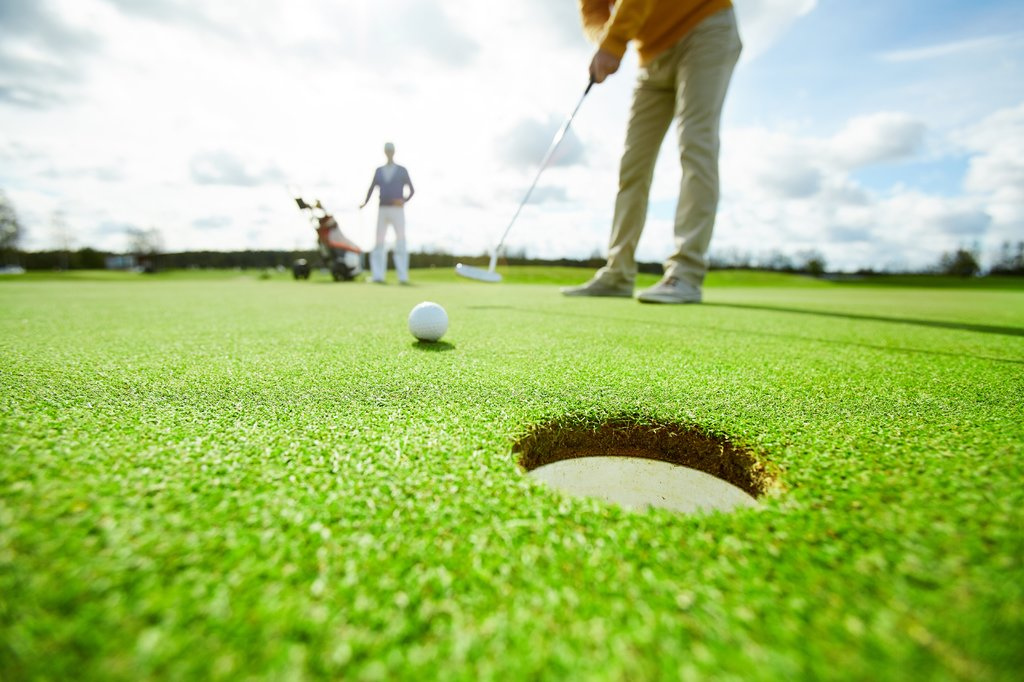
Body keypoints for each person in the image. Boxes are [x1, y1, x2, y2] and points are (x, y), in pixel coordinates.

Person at [562, 0, 742, 303]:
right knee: (633, 164)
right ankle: (618, 273)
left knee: (696, 144)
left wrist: (615, 42)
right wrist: (606, 39)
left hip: (704, 24)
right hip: (651, 58)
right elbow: (593, 14)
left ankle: (685, 272)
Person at [359, 142, 415, 284]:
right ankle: (378, 276)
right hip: (382, 209)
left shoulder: (402, 170)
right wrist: (364, 203)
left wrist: (403, 200)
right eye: (387, 150)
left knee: (401, 242)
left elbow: (412, 190)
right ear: (385, 152)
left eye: (391, 150)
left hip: (397, 210)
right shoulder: (379, 170)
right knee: (379, 243)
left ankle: (403, 276)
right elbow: (371, 188)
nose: (389, 152)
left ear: (394, 152)